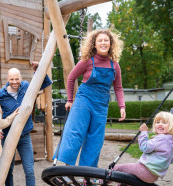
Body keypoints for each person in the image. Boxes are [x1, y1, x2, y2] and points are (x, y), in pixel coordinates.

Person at [53, 29, 126, 167]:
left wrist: (122, 106)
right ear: (94, 44)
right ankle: (68, 167)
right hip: (84, 99)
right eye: (100, 40)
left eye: (106, 40)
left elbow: (118, 88)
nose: (103, 43)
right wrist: (70, 100)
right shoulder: (87, 61)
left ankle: (86, 172)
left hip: (101, 104)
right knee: (76, 131)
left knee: (96, 138)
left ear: (111, 44)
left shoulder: (115, 65)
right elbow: (71, 78)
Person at [0, 63, 52, 186]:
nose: (15, 82)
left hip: (24, 137)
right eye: (12, 79)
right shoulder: (0, 94)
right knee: (7, 170)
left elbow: (45, 82)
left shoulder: (27, 87)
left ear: (20, 78)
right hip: (9, 137)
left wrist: (38, 70)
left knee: (29, 171)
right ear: (7, 79)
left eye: (17, 79)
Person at [113, 111, 173, 183]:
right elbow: (172, 158)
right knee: (128, 181)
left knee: (117, 168)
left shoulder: (161, 138)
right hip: (153, 177)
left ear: (171, 126)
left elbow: (145, 147)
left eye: (164, 123)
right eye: (157, 122)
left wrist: (143, 132)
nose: (160, 124)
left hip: (144, 171)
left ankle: (101, 182)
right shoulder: (170, 140)